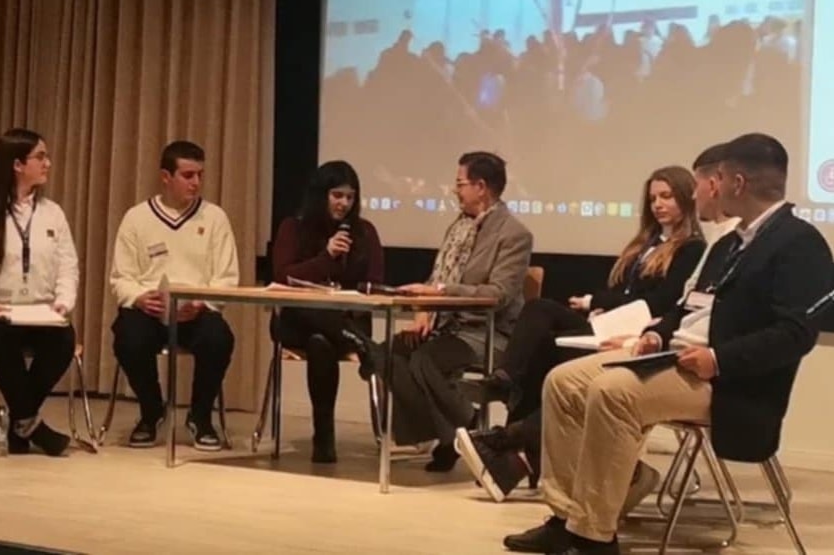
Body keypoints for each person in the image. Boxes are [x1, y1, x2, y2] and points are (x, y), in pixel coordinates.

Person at [501, 133, 834, 555]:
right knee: (563, 382)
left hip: (725, 380)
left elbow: (795, 334)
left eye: (716, 178)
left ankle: (592, 535)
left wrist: (717, 359)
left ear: (737, 183)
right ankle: (566, 517)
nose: (706, 190)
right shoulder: (731, 243)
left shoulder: (799, 244)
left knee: (612, 392)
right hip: (672, 355)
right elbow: (686, 306)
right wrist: (656, 334)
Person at [455, 164, 706, 500]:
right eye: (653, 199)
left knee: (555, 356)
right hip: (611, 322)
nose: (658, 204)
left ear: (686, 199)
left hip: (639, 332)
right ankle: (505, 388)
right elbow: (620, 291)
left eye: (667, 197)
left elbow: (660, 301)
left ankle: (509, 443)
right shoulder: (645, 244)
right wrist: (602, 305)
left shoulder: (691, 249)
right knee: (540, 316)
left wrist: (596, 302)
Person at [365, 151, 531, 472]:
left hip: (488, 331)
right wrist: (423, 311)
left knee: (425, 359)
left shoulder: (513, 234)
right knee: (387, 354)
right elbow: (437, 278)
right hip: (446, 325)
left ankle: (464, 429)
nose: (455, 190)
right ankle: (459, 430)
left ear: (481, 187)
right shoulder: (459, 228)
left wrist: (440, 293)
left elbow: (499, 294)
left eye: (460, 183)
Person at [109, 140, 239, 451]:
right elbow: (121, 277)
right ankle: (151, 411)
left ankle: (200, 416)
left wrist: (202, 302)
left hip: (196, 310)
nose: (196, 183)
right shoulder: (137, 217)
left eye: (200, 175)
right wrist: (140, 298)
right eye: (188, 175)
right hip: (150, 310)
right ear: (166, 177)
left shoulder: (215, 218)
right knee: (128, 338)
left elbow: (226, 278)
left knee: (219, 339)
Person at [0, 128, 80, 457]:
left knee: (64, 339)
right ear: (17, 164)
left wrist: (63, 302)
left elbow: (68, 266)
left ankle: (20, 421)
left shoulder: (53, 213)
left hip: (39, 311)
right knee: (1, 337)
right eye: (40, 157)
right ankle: (30, 424)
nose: (47, 163)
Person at [270, 160, 385, 463]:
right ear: (321, 195)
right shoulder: (293, 228)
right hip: (296, 321)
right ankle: (363, 346)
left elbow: (374, 282)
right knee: (313, 312)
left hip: (347, 319)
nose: (344, 203)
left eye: (350, 197)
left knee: (320, 342)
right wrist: (326, 257)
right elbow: (282, 276)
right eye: (337, 195)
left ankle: (324, 436)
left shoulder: (365, 232)